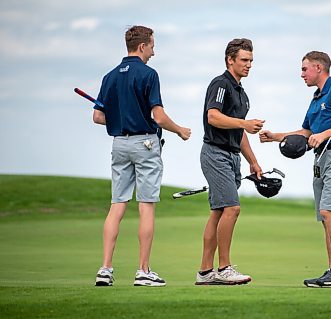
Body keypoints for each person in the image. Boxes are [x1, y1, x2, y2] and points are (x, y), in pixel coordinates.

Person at [92, 25, 191, 287]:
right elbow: (157, 116)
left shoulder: (110, 76)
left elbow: (98, 117)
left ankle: (105, 269)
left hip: (119, 144)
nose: (154, 52)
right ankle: (143, 271)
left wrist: (120, 117)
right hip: (145, 143)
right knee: (146, 206)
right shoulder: (149, 74)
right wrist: (180, 130)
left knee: (117, 205)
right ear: (143, 46)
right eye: (152, 46)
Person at [259, 51, 331, 288]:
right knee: (324, 217)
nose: (301, 74)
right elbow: (304, 132)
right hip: (320, 159)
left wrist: (324, 134)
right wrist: (276, 137)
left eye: (304, 69)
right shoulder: (316, 98)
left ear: (318, 67)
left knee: (328, 211)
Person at [195, 38, 264, 285]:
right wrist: (244, 123)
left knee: (218, 212)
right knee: (232, 209)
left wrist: (253, 162)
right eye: (244, 60)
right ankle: (224, 268)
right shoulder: (221, 84)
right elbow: (213, 117)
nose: (249, 65)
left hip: (232, 155)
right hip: (216, 153)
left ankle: (205, 272)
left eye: (251, 61)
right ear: (230, 60)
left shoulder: (241, 93)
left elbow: (239, 132)